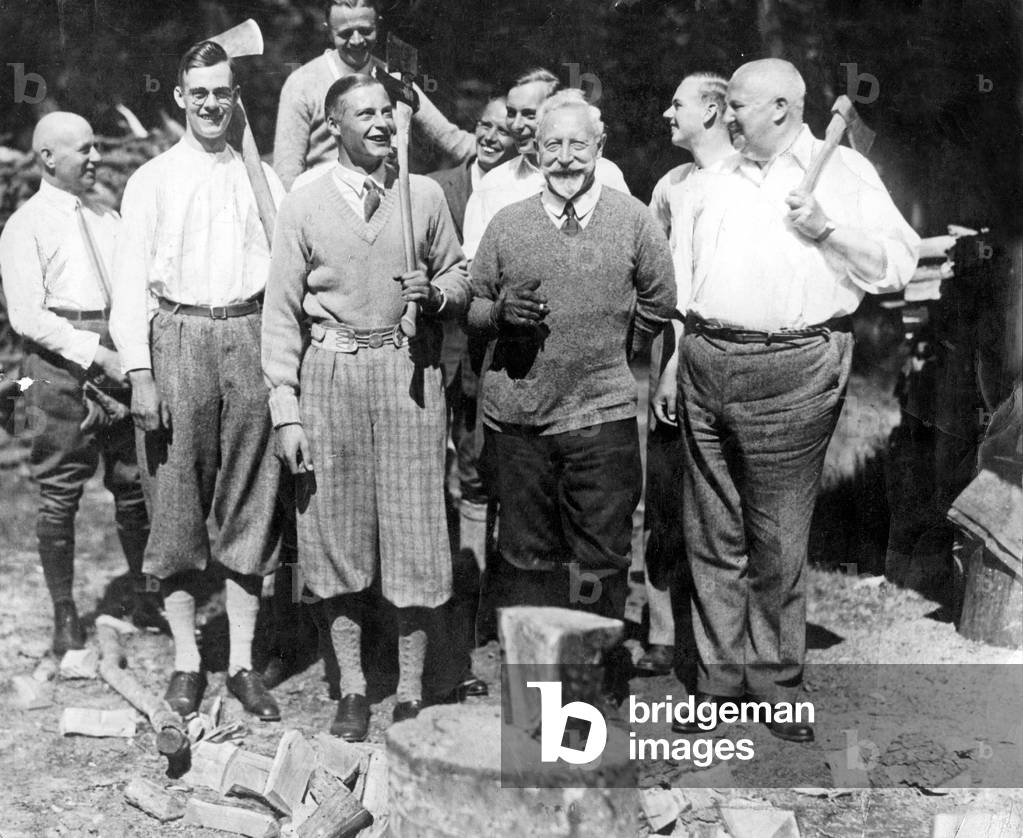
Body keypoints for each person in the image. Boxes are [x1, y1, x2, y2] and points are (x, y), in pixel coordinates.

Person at [656, 58, 919, 742]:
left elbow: (898, 260)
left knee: (775, 538)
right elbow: (685, 280)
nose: (725, 116)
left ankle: (774, 685)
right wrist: (675, 362)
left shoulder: (841, 172)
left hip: (794, 366)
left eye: (737, 105)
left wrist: (826, 229)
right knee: (709, 534)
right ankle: (716, 685)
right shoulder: (712, 181)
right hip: (707, 359)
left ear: (779, 108)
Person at [262, 74, 470, 740]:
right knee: (334, 533)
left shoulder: (424, 195)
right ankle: (351, 686)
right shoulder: (304, 203)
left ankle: (409, 687)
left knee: (414, 531)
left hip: (408, 372)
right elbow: (280, 315)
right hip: (330, 373)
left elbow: (460, 274)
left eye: (387, 112)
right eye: (364, 113)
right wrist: (285, 409)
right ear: (333, 126)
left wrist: (434, 293)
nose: (380, 123)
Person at [466, 90, 676, 672]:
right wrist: (500, 313)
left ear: (599, 148)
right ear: (534, 150)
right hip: (519, 420)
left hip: (601, 417)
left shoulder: (632, 219)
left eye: (577, 145)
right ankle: (538, 688)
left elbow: (661, 299)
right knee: (528, 558)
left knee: (602, 556)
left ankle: (590, 689)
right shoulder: (507, 224)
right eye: (551, 145)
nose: (564, 158)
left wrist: (614, 356)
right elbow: (474, 306)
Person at [110, 41, 286, 721]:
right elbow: (129, 286)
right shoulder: (152, 178)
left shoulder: (264, 178)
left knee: (250, 503)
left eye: (224, 91)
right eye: (200, 92)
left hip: (247, 335)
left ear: (236, 96)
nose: (212, 104)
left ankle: (241, 660)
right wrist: (138, 371)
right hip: (176, 339)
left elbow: (287, 274)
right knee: (176, 509)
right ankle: (188, 660)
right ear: (181, 97)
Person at [0, 112, 156, 655]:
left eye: (96, 149)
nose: (96, 159)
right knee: (60, 491)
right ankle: (66, 612)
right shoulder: (25, 225)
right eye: (84, 151)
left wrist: (130, 353)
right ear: (48, 158)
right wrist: (97, 355)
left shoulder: (106, 215)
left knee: (133, 482)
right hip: (60, 366)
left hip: (119, 354)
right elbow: (27, 316)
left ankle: (144, 595)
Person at [637, 72, 735, 676]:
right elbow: (662, 276)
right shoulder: (671, 184)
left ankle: (727, 643)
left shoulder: (746, 182)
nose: (666, 114)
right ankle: (665, 632)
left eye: (677, 104)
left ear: (715, 109)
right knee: (666, 494)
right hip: (670, 345)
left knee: (720, 504)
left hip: (715, 350)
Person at [426, 95, 516, 703]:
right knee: (433, 479)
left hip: (488, 357)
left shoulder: (514, 192)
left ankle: (487, 604)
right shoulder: (436, 187)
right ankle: (436, 610)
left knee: (485, 474)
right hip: (436, 355)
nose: (489, 136)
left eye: (500, 129)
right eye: (480, 126)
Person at [273, 0, 474, 190]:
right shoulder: (302, 83)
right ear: (328, 30)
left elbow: (451, 140)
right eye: (345, 33)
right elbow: (287, 174)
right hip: (326, 202)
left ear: (377, 24)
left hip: (388, 198)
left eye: (366, 31)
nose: (357, 40)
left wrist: (503, 154)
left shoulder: (394, 78)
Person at [461, 69, 631, 260]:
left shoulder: (605, 174)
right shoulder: (494, 183)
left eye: (529, 115)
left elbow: (627, 247)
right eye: (511, 113)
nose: (516, 125)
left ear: (555, 112)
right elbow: (475, 262)